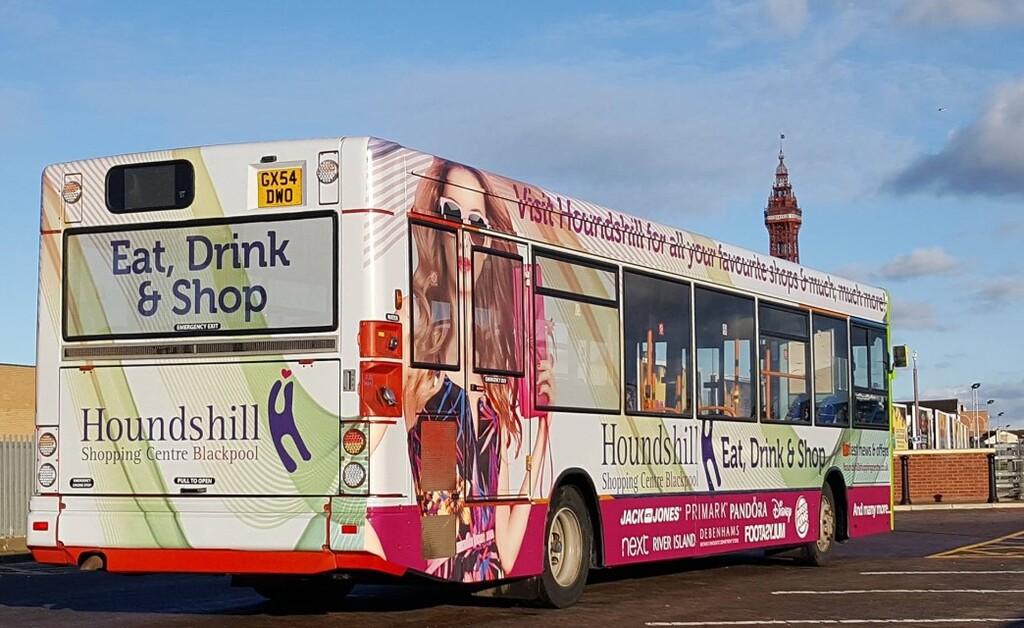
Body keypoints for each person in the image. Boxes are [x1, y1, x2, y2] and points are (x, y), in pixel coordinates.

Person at [406, 158, 553, 582]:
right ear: (433, 227)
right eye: (452, 215)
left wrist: (543, 426)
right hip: (446, 566)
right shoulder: (431, 387)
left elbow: (507, 552)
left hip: (480, 567)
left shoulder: (495, 397)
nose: (466, 235)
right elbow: (438, 537)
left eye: (477, 221)